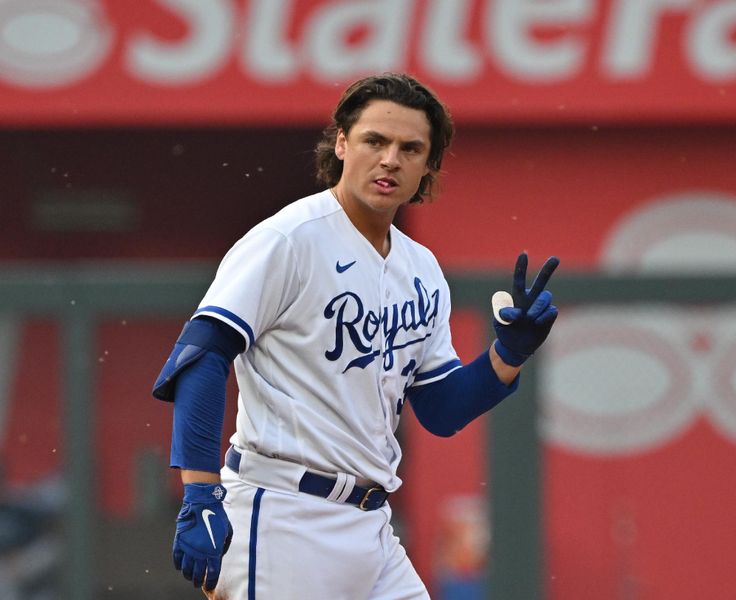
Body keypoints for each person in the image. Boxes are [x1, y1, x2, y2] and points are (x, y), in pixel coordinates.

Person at [152, 72, 559, 599]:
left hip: (371, 525)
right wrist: (199, 494)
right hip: (283, 512)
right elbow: (202, 356)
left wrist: (509, 354)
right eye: (375, 140)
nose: (391, 159)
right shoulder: (289, 239)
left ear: (428, 166)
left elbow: (440, 409)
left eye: (411, 148)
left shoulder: (422, 268)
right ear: (342, 143)